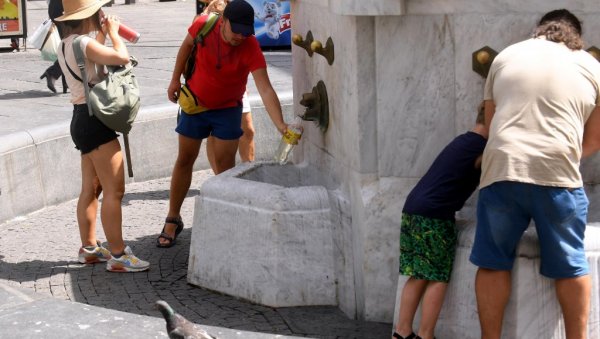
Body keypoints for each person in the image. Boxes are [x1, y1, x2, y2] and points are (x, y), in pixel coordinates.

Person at [469, 9, 600, 339]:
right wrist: (564, 155)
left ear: (538, 31)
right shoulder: (592, 67)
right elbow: (595, 139)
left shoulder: (507, 56)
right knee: (571, 265)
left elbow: (490, 123)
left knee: (492, 261)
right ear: (576, 36)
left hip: (503, 169)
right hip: (557, 175)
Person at [156, 0, 287, 248]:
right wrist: (174, 80)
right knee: (185, 159)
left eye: (245, 31)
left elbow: (266, 88)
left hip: (228, 109)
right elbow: (185, 47)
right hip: (195, 105)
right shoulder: (204, 25)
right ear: (223, 21)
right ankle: (172, 218)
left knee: (226, 168)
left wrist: (280, 125)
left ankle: (227, 217)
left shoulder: (250, 46)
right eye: (235, 29)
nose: (239, 36)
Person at [55, 0, 149, 272]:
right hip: (95, 121)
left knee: (91, 188)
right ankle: (119, 255)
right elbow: (121, 58)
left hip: (80, 119)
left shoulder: (66, 43)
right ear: (89, 15)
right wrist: (115, 34)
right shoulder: (83, 43)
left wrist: (103, 34)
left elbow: (90, 58)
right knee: (114, 190)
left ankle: (89, 248)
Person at [392, 104, 487, 339]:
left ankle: (401, 332)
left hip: (413, 208)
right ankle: (426, 335)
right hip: (435, 216)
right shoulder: (482, 148)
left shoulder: (463, 141)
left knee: (418, 274)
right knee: (437, 275)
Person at [196, 0, 257, 170]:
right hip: (210, 80)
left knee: (248, 129)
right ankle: (220, 179)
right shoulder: (207, 18)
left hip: (235, 83)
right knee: (214, 133)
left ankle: (249, 173)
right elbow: (188, 45)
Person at [40, 0, 68, 94]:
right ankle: (53, 73)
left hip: (63, 9)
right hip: (64, 10)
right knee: (71, 45)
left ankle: (66, 79)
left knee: (70, 45)